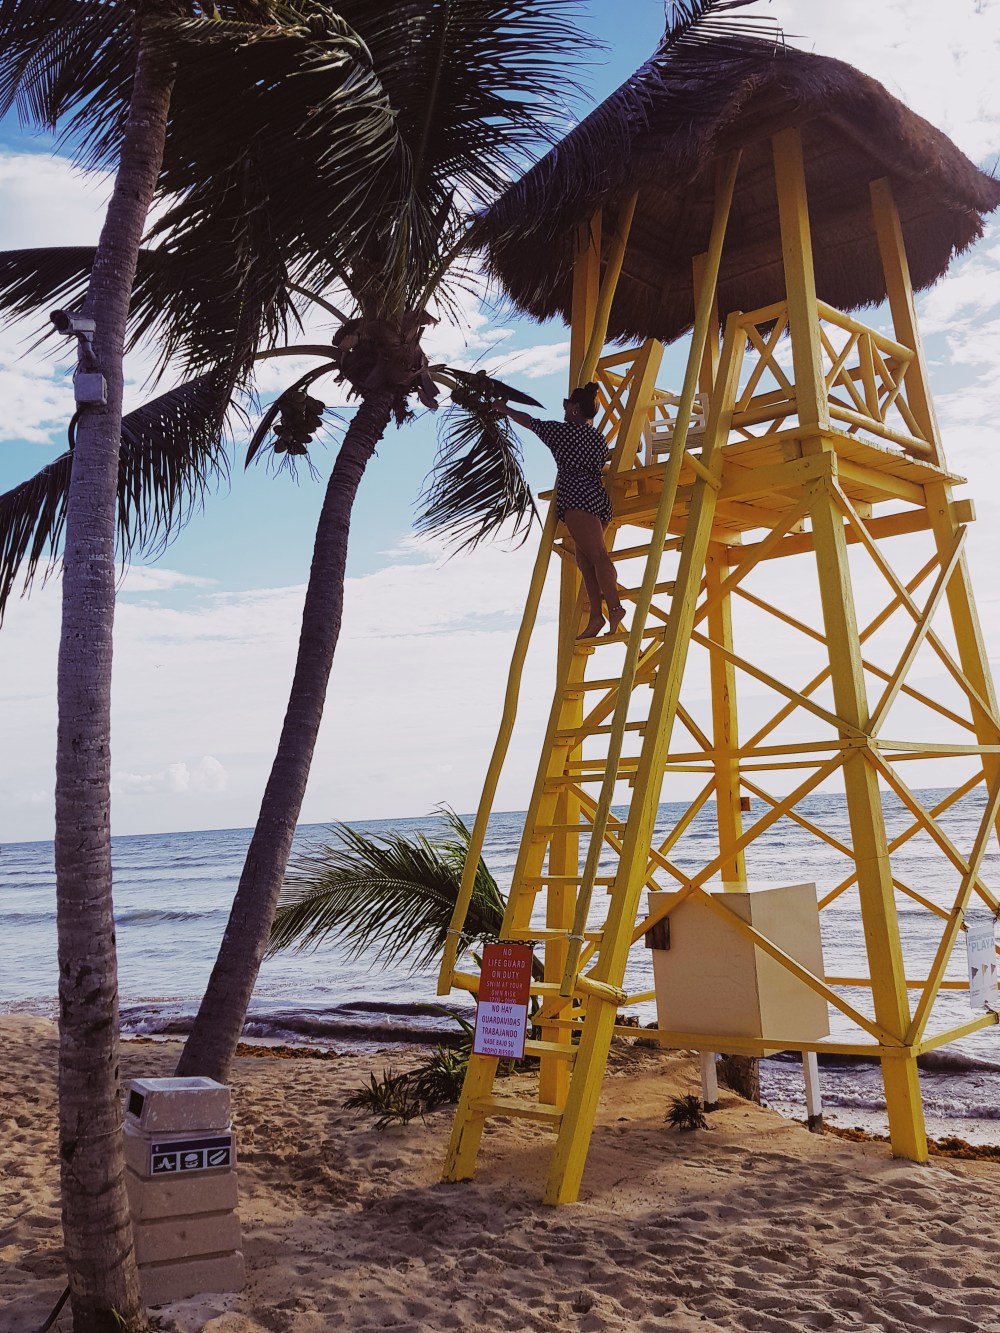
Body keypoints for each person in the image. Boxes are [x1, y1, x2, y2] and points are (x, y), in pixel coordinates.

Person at [497, 382, 625, 638]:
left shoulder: (563, 433)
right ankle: (597, 617)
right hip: (597, 497)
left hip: (577, 497)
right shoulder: (597, 438)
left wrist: (504, 409)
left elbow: (530, 422)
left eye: (567, 406)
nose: (564, 410)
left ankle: (614, 607)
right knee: (585, 559)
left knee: (597, 556)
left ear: (576, 409)